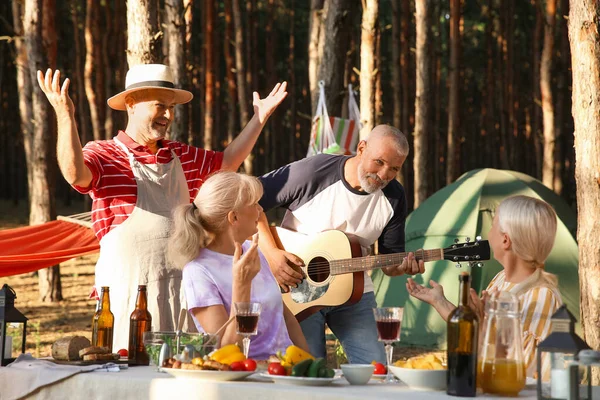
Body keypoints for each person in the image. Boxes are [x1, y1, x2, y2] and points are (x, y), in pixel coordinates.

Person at [37, 64, 288, 350]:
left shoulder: (180, 154)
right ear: (131, 104)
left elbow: (227, 163)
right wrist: (65, 115)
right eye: (160, 106)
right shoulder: (104, 154)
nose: (168, 115)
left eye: (171, 107)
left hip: (183, 293)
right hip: (127, 295)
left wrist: (260, 117)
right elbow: (74, 173)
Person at [256, 124, 425, 364]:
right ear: (361, 148)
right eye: (379, 162)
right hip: (296, 288)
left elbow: (390, 263)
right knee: (306, 369)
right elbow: (248, 198)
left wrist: (404, 266)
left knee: (376, 369)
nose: (384, 175)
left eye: (394, 169)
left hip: (355, 294)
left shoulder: (394, 197)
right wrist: (272, 254)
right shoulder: (314, 172)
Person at [406, 195, 562, 378]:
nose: (488, 234)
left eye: (493, 226)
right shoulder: (501, 279)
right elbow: (477, 332)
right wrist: (439, 302)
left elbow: (523, 368)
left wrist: (484, 325)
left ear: (505, 240)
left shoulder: (541, 295)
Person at [168, 172, 309, 360]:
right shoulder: (198, 270)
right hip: (246, 377)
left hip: (285, 369)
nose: (260, 210)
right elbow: (224, 349)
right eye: (253, 204)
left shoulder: (253, 250)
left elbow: (286, 318)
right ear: (233, 217)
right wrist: (242, 286)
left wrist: (309, 364)